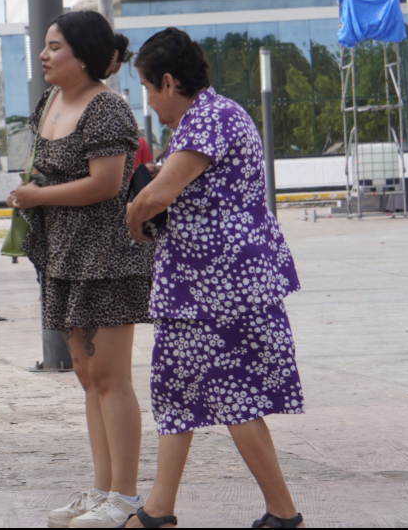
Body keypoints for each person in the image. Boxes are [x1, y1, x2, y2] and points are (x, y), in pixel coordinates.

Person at [124, 27, 305, 530]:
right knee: (177, 391)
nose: (150, 102)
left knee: (234, 395)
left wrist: (134, 216)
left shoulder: (208, 118)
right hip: (199, 288)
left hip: (217, 288)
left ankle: (284, 514)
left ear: (167, 80)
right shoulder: (213, 117)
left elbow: (159, 194)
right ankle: (158, 510)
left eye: (148, 89)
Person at [7, 11, 154, 529]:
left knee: (112, 377)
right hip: (65, 257)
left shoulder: (107, 108)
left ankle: (126, 496)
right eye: (45, 47)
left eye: (54, 47)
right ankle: (101, 489)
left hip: (108, 258)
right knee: (89, 378)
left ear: (84, 54)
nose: (44, 56)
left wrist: (37, 195)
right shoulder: (50, 101)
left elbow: (106, 184)